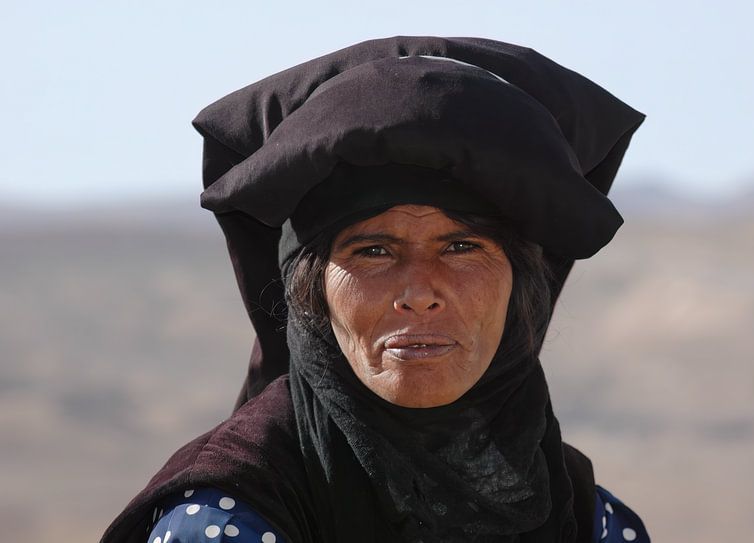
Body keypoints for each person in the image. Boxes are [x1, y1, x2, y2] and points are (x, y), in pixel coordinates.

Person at [102, 36, 648, 543]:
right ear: (311, 295)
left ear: (522, 286)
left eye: (462, 247)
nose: (419, 293)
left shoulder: (588, 519)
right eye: (373, 251)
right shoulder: (229, 519)